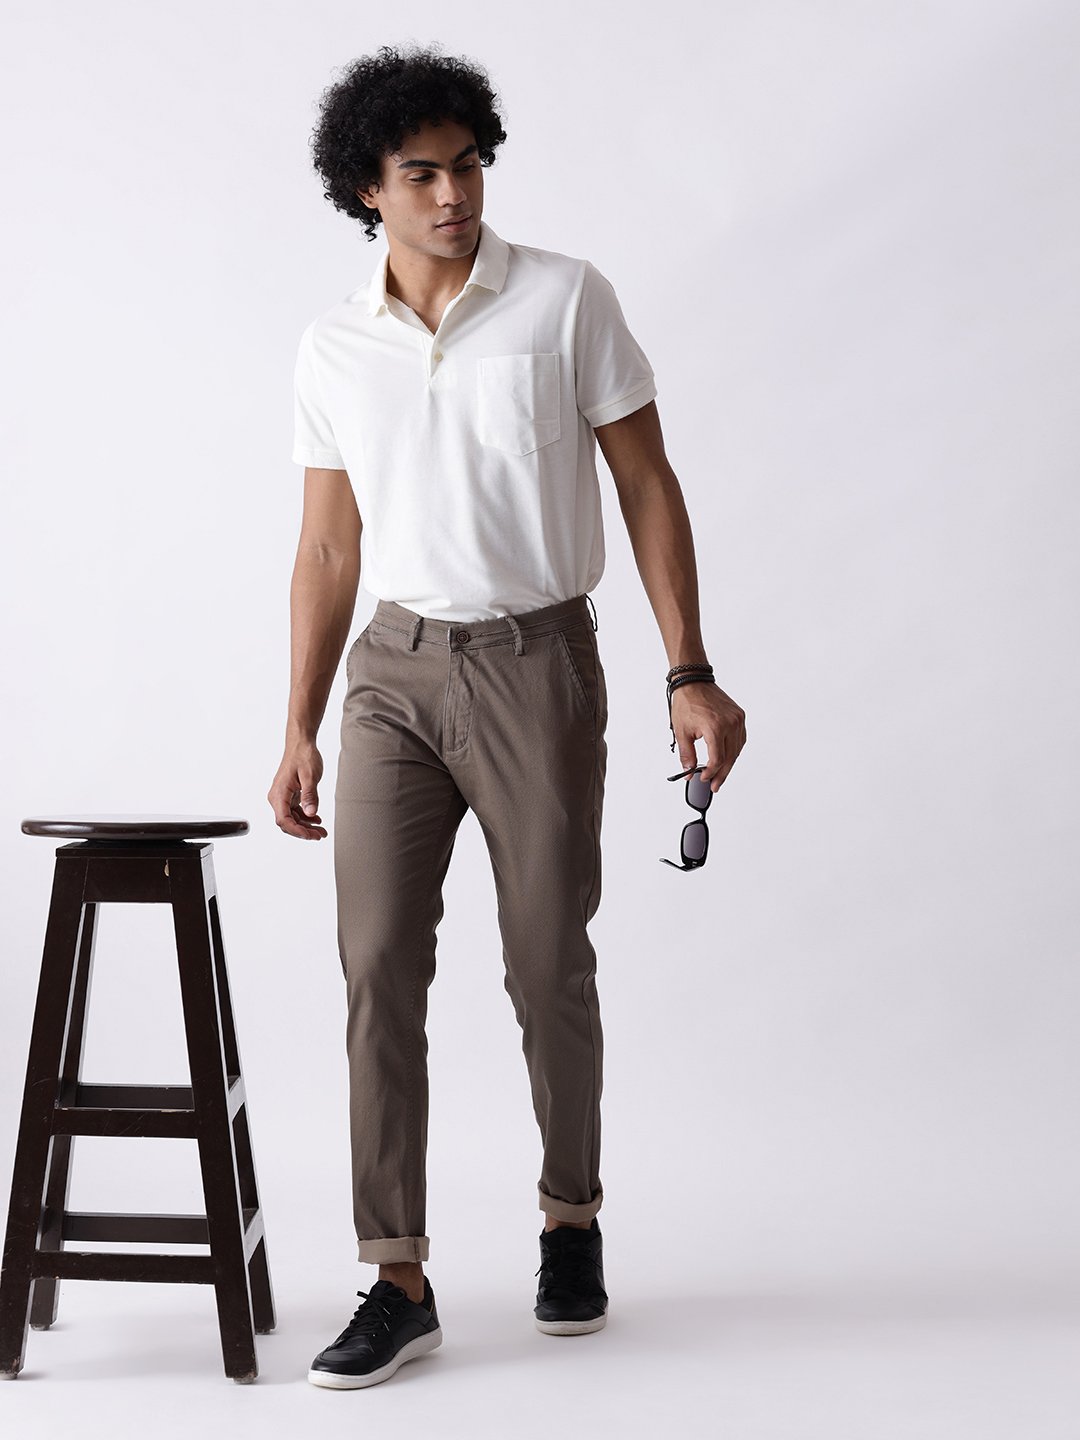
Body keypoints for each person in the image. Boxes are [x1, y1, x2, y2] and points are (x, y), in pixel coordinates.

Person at [268, 42, 746, 1390]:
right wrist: (298, 723)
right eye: (421, 173)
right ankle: (397, 1276)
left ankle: (569, 1222)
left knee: (545, 963)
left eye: (469, 166)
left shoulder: (564, 299)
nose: (453, 195)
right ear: (367, 189)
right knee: (377, 965)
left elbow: (647, 483)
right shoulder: (333, 344)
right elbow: (326, 549)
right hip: (391, 676)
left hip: (539, 665)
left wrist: (689, 667)